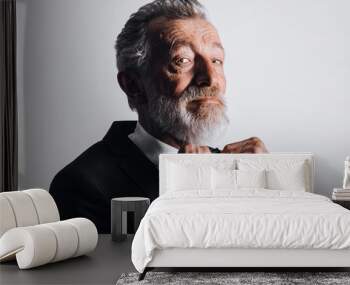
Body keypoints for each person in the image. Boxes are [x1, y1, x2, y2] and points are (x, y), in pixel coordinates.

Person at [49, 0, 267, 233]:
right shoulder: (81, 184)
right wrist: (190, 201)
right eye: (182, 60)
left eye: (216, 60)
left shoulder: (226, 167)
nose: (211, 78)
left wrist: (268, 193)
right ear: (133, 85)